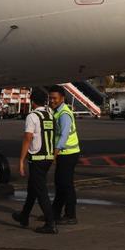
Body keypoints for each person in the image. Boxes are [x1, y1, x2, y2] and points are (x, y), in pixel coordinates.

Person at [12, 88, 56, 234]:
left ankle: (50, 224)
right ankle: (24, 216)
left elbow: (27, 138)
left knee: (41, 192)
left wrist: (21, 160)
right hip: (48, 157)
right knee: (33, 189)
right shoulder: (50, 114)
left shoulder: (32, 116)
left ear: (32, 102)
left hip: (37, 158)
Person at [47, 85, 80, 225]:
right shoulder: (57, 112)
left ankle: (70, 215)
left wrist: (55, 153)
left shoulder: (64, 114)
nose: (52, 101)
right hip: (65, 153)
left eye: (54, 98)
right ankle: (54, 214)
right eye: (50, 98)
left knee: (66, 186)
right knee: (60, 184)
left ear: (62, 98)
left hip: (68, 154)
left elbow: (64, 135)